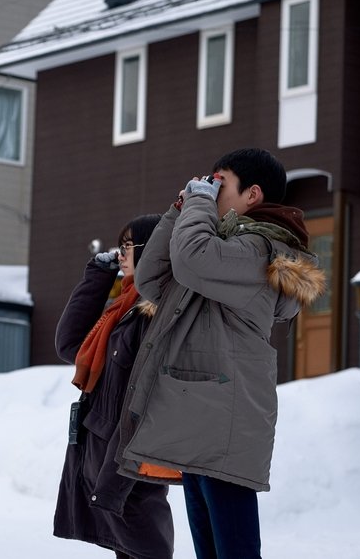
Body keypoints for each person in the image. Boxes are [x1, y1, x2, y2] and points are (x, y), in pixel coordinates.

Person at [116, 148, 326, 559]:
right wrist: (179, 210)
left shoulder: (260, 249)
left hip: (225, 421)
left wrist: (197, 203)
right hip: (203, 416)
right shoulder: (222, 249)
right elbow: (152, 279)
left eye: (219, 184)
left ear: (252, 194)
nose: (209, 192)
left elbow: (192, 259)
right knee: (212, 550)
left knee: (234, 550)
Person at [53, 214, 177, 559]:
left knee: (147, 546)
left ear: (151, 250)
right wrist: (98, 275)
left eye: (127, 246)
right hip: (102, 450)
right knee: (128, 547)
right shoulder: (124, 307)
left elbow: (147, 401)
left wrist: (117, 468)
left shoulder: (154, 311)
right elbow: (70, 344)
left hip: (128, 457)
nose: (120, 254)